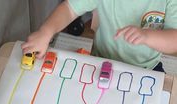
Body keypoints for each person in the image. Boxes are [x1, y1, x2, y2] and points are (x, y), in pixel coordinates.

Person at [22, 0, 177, 71]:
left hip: (147, 67)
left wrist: (147, 36)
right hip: (100, 61)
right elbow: (69, 8)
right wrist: (46, 31)